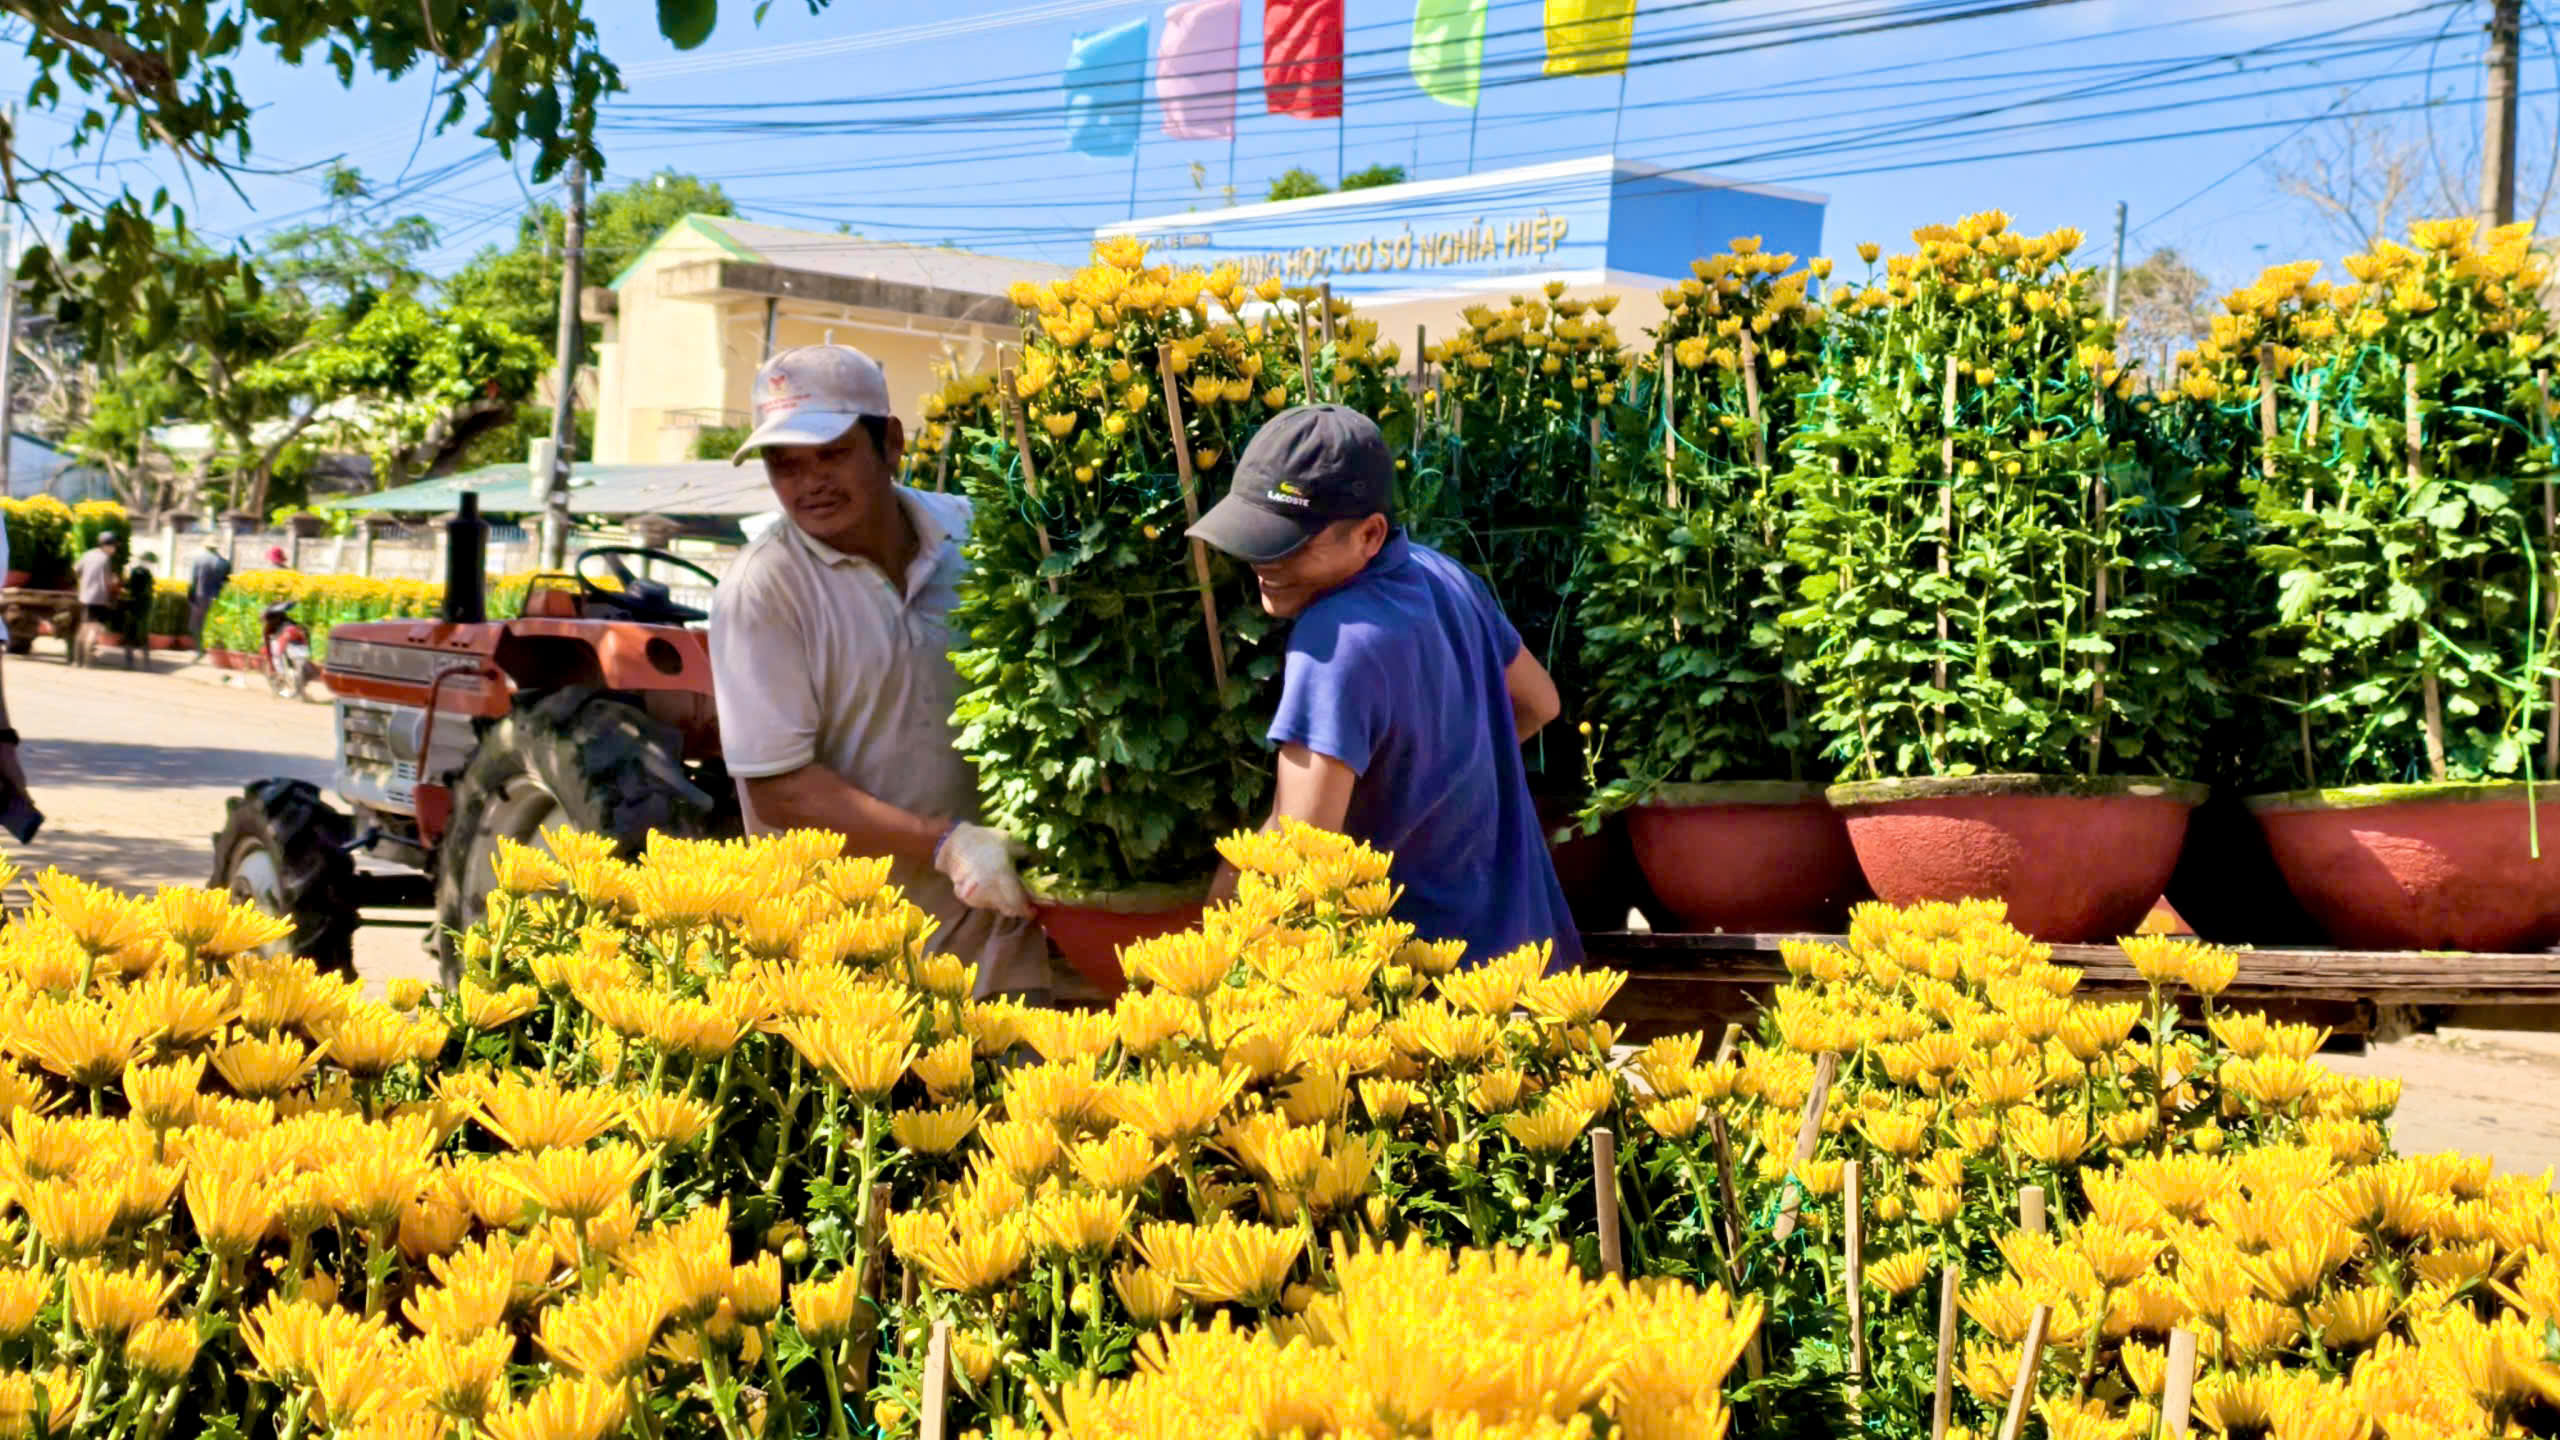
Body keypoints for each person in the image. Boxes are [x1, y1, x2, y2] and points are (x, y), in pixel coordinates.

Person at [708, 344, 1064, 1003]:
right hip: (850, 951)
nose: (809, 481)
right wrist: (950, 845)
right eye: (784, 464)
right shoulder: (762, 590)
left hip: (1003, 925)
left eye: (832, 453)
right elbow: (778, 791)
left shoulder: (975, 533)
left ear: (891, 443)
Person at [1190, 404, 1583, 971]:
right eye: (1253, 536)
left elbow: (1300, 854)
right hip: (1541, 972)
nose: (1262, 561)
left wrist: (1208, 946)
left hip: (1427, 1008)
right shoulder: (1444, 577)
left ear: (1370, 534)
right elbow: (1540, 702)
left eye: (1289, 542)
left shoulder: (1333, 639)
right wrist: (1433, 779)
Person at [71, 531, 119, 669]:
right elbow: (108, 581)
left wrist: (84, 581)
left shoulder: (88, 554)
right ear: (107, 546)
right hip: (99, 598)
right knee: (94, 628)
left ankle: (76, 660)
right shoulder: (105, 559)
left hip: (84, 597)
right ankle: (87, 661)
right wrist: (114, 581)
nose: (114, 549)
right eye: (114, 546)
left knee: (83, 627)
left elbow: (76, 569)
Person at [186, 540, 232, 653]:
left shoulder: (198, 560)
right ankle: (214, 649)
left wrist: (190, 596)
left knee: (197, 624)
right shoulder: (224, 563)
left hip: (200, 596)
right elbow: (227, 581)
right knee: (216, 623)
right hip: (218, 596)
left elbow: (194, 581)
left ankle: (199, 649)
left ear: (206, 547)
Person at [119, 551, 157, 670]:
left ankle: (129, 661)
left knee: (131, 632)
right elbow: (148, 589)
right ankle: (146, 662)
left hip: (133, 604)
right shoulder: (146, 573)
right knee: (142, 633)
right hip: (143, 606)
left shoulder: (135, 571)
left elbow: (129, 586)